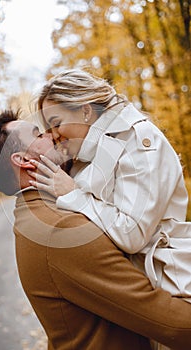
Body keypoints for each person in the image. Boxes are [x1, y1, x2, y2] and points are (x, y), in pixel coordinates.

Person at [0, 110, 191, 350]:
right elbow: (178, 327)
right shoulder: (59, 229)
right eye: (39, 134)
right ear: (24, 160)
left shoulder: (45, 213)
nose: (53, 135)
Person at [30, 68, 191, 306]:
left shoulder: (138, 140)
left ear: (85, 111)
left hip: (170, 285)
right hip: (132, 288)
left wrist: (74, 194)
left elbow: (132, 234)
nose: (53, 135)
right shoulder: (87, 153)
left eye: (56, 123)